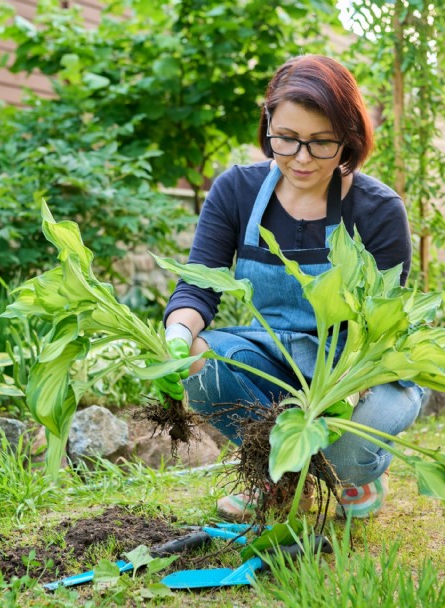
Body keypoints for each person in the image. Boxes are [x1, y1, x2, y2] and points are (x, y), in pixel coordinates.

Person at [158, 55, 423, 522]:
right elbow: (199, 286)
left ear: (349, 138)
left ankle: (356, 473)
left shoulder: (378, 208)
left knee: (344, 454)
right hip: (275, 358)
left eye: (321, 143)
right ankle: (277, 476)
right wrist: (176, 334)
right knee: (200, 360)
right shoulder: (235, 191)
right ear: (268, 126)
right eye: (287, 139)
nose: (301, 158)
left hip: (359, 371)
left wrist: (334, 399)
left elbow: (382, 327)